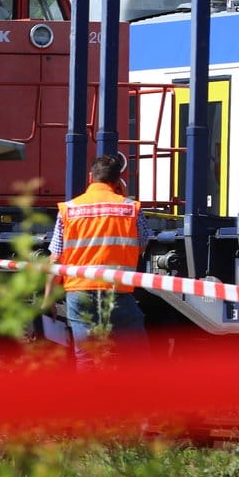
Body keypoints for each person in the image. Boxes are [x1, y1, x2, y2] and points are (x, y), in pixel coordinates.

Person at [48, 154, 150, 364]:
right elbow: (142, 246)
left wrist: (48, 297)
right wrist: (125, 198)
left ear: (90, 178)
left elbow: (56, 259)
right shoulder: (131, 208)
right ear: (118, 181)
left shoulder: (69, 209)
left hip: (79, 291)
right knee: (136, 355)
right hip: (118, 291)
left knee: (86, 356)